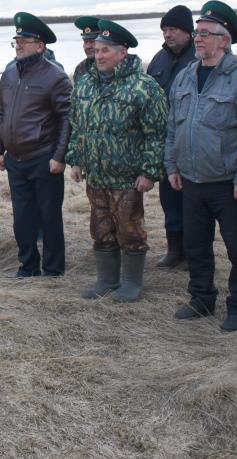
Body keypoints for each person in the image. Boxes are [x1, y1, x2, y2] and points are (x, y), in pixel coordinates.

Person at [165, 1, 237, 332]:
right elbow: (173, 127)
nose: (198, 39)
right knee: (196, 246)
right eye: (197, 33)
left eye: (205, 34)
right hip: (191, 180)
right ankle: (201, 298)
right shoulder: (184, 77)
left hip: (228, 182)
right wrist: (172, 166)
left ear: (223, 41)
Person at [68, 20, 168, 302]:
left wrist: (149, 172)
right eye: (97, 50)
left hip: (128, 178)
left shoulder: (143, 87)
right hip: (96, 175)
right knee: (100, 229)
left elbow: (157, 134)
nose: (98, 56)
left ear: (122, 53)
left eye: (105, 51)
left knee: (130, 230)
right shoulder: (86, 84)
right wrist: (75, 159)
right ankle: (107, 279)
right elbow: (77, 125)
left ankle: (132, 282)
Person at [0, 12, 72, 277]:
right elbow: (1, 113)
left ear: (40, 45)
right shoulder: (9, 74)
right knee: (22, 219)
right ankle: (27, 266)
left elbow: (66, 119)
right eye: (16, 39)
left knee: (49, 217)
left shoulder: (55, 77)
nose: (18, 44)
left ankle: (52, 268)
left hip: (44, 158)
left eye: (24, 40)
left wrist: (59, 156)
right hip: (15, 159)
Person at [146, 5, 197, 269]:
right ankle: (173, 250)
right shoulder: (159, 60)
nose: (168, 34)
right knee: (169, 201)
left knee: (194, 202)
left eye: (173, 29)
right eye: (165, 29)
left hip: (193, 142)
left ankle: (193, 252)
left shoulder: (200, 57)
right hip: (166, 143)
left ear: (188, 31)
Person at [72, 16, 100, 83]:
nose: (87, 46)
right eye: (85, 42)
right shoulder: (81, 68)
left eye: (92, 41)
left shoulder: (114, 65)